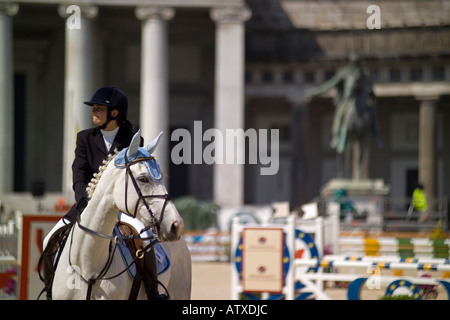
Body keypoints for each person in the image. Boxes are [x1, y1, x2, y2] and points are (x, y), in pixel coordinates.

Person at [41, 87, 163, 299]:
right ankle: (51, 289)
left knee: (143, 235)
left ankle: (153, 291)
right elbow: (79, 173)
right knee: (50, 238)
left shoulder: (132, 142)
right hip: (87, 205)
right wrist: (82, 200)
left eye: (99, 108)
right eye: (93, 108)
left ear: (114, 113)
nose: (93, 112)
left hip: (121, 206)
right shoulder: (85, 138)